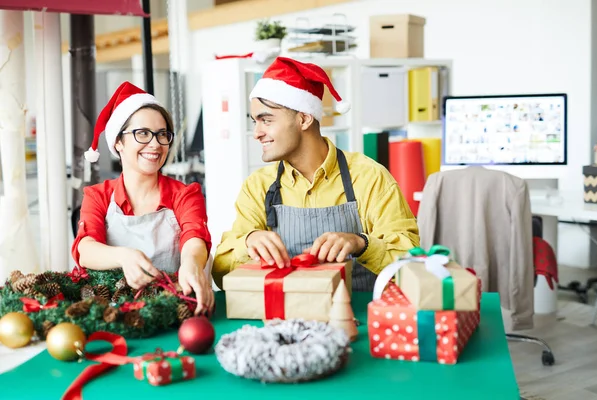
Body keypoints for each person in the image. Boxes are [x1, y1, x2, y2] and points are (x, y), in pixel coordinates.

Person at [212, 57, 420, 292]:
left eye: (266, 120)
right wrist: (248, 242)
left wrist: (361, 244)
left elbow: (411, 264)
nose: (257, 133)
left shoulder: (369, 177)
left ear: (304, 118)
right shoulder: (258, 186)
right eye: (255, 122)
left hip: (358, 316)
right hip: (285, 317)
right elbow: (220, 273)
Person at [71, 81, 213, 315]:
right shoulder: (98, 196)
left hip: (173, 309)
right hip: (112, 314)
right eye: (143, 134)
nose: (155, 144)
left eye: (162, 134)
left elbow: (195, 239)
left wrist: (191, 264)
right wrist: (124, 255)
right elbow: (85, 250)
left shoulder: (186, 194)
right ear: (118, 141)